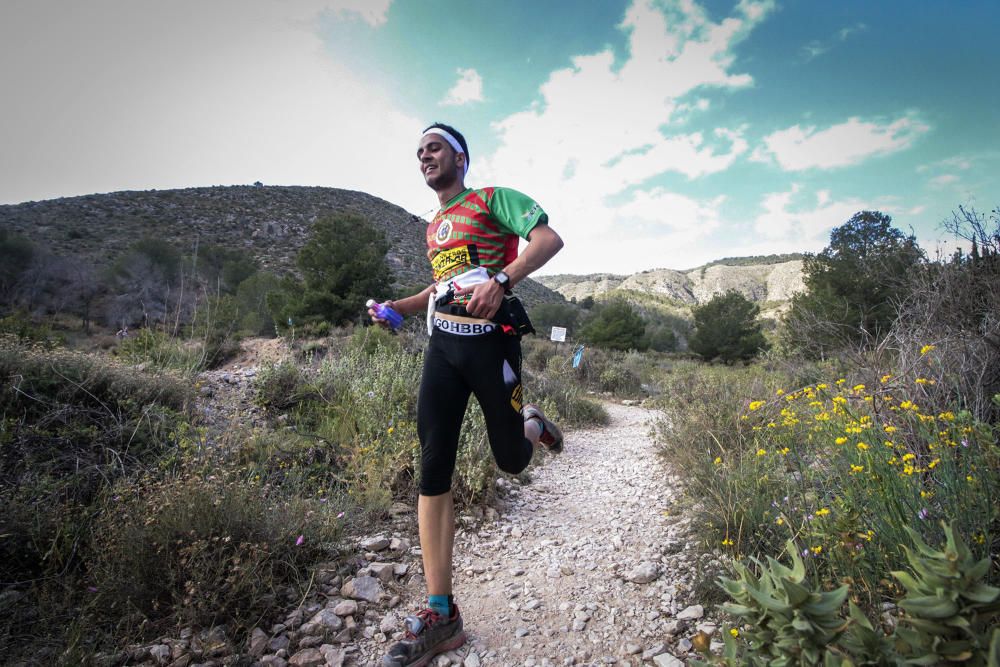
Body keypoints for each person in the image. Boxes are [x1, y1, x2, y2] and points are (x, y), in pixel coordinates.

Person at [372, 123, 564, 666]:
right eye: (418, 152)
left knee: (510, 462)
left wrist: (502, 280)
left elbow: (548, 240)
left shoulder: (491, 200)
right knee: (433, 466)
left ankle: (529, 424)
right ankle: (442, 612)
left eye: (433, 148)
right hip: (443, 349)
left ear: (460, 156)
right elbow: (441, 286)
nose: (423, 157)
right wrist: (399, 309)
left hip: (493, 344)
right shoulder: (434, 226)